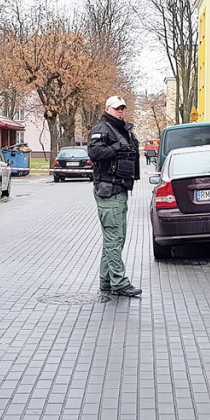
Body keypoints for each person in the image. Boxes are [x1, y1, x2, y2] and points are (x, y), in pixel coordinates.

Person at [88, 95, 142, 296]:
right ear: (107, 109)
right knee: (114, 238)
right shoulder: (101, 130)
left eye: (122, 108)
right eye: (117, 108)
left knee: (114, 239)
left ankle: (106, 281)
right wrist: (116, 148)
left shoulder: (122, 130)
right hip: (108, 190)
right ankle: (119, 282)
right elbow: (94, 153)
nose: (120, 111)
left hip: (118, 190)